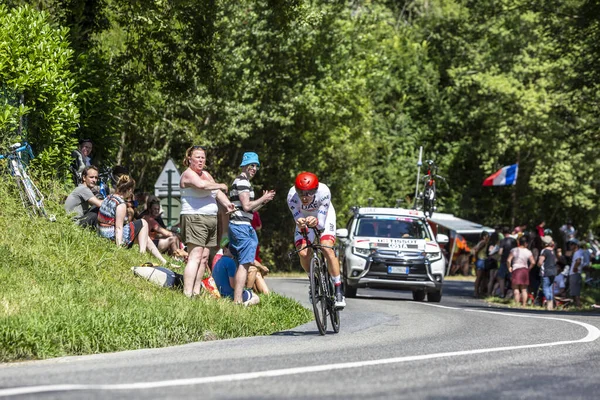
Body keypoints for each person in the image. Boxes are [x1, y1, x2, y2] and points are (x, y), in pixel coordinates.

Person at [179, 145, 235, 298]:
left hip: (210, 219)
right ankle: (187, 294)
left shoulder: (207, 174)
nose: (201, 160)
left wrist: (227, 204)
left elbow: (215, 192)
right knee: (195, 256)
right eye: (197, 157)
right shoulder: (188, 174)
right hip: (194, 218)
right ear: (189, 159)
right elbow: (202, 186)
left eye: (203, 157)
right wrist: (221, 185)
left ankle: (196, 292)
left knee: (204, 258)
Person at [287, 171, 345, 308]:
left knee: (326, 247)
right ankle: (314, 281)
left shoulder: (324, 192)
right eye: (301, 192)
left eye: (309, 192)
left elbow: (321, 225)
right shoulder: (291, 197)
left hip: (323, 216)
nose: (305, 197)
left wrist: (315, 221)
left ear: (316, 189)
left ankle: (338, 289)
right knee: (302, 252)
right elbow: (298, 218)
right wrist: (301, 222)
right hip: (305, 217)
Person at [228, 152, 276, 304]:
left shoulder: (244, 182)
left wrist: (264, 201)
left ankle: (237, 297)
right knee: (245, 263)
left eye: (256, 166)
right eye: (251, 165)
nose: (254, 168)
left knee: (241, 262)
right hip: (241, 226)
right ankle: (237, 301)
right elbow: (247, 205)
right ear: (244, 165)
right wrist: (262, 198)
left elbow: (250, 210)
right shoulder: (242, 182)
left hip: (240, 225)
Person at [97, 175, 168, 265]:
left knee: (144, 236)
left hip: (102, 233)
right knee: (143, 222)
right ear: (129, 189)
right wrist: (118, 249)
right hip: (110, 237)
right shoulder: (121, 204)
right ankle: (141, 255)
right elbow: (119, 228)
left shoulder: (108, 197)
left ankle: (163, 261)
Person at [212, 237, 259, 306]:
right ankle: (243, 305)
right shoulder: (230, 262)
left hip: (221, 294)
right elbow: (233, 285)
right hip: (230, 295)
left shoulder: (218, 262)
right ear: (225, 249)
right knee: (256, 297)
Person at [507, 235, 536, 307]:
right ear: (526, 243)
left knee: (516, 289)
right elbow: (533, 262)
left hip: (516, 269)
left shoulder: (514, 250)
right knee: (524, 289)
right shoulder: (528, 251)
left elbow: (508, 260)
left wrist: (509, 267)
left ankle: (516, 304)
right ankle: (524, 305)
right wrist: (529, 268)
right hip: (524, 270)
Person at [494, 227, 517, 298]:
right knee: (511, 277)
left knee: (501, 277)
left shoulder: (502, 241)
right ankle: (514, 293)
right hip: (512, 261)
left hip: (504, 260)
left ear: (503, 233)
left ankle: (502, 293)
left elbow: (500, 252)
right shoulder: (514, 240)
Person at [538, 236, 557, 310]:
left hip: (545, 272)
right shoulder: (552, 251)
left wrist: (538, 265)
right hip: (553, 272)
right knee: (550, 288)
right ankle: (550, 306)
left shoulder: (544, 251)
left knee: (545, 288)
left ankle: (548, 303)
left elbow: (540, 262)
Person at [472, 231, 489, 298]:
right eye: (487, 236)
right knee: (479, 277)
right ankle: (476, 292)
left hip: (481, 260)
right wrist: (476, 258)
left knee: (482, 277)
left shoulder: (480, 242)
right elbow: (476, 250)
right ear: (484, 236)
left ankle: (480, 291)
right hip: (481, 260)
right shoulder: (483, 242)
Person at [568, 239, 585, 308]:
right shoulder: (577, 252)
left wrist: (575, 268)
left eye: (572, 244)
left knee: (575, 291)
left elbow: (578, 261)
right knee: (574, 291)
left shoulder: (577, 253)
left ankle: (579, 306)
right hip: (574, 274)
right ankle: (577, 306)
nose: (570, 246)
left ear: (576, 245)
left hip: (575, 274)